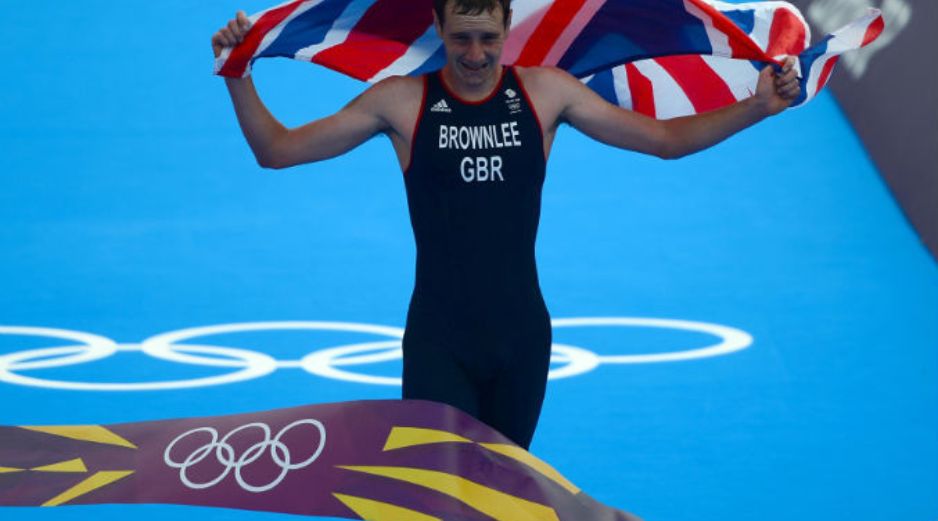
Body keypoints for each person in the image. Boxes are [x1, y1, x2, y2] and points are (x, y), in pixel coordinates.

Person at [211, 0, 801, 450]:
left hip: (521, 341)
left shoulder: (546, 94)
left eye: (488, 39)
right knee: (434, 503)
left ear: (507, 28)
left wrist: (756, 107)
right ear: (438, 30)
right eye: (461, 38)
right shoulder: (398, 102)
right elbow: (278, 150)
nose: (474, 55)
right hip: (439, 342)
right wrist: (238, 73)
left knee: (502, 502)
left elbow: (666, 141)